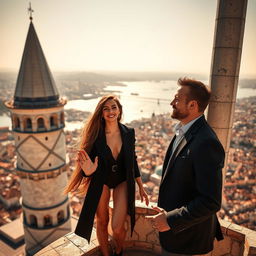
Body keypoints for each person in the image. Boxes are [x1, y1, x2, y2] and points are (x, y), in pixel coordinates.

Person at [146, 78, 225, 256]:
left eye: (176, 99)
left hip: (189, 241)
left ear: (192, 105)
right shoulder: (184, 131)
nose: (171, 103)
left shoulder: (206, 142)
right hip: (175, 237)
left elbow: (210, 202)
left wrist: (170, 220)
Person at [65, 95, 149, 256]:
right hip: (100, 179)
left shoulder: (129, 132)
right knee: (102, 222)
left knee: (118, 227)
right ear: (101, 113)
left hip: (122, 180)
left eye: (114, 107)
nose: (111, 111)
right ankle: (106, 254)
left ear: (119, 110)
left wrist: (141, 186)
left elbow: (133, 161)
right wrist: (88, 172)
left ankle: (119, 250)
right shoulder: (96, 135)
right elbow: (86, 165)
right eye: (106, 108)